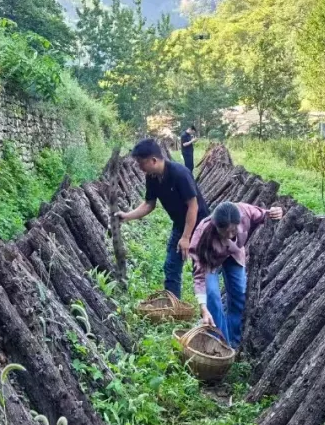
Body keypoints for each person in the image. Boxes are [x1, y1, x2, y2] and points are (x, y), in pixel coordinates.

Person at [116, 138, 209, 299]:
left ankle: (207, 310)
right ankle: (173, 306)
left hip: (200, 226)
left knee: (200, 268)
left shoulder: (180, 174)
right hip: (180, 225)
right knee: (171, 266)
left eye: (140, 163)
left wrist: (186, 237)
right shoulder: (152, 177)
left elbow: (193, 207)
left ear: (153, 160)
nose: (139, 167)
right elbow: (149, 204)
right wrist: (126, 216)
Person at [190, 201, 283, 349]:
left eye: (233, 231)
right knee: (212, 296)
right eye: (225, 233)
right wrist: (203, 307)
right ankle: (221, 343)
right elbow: (199, 276)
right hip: (210, 261)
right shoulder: (202, 237)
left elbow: (264, 214)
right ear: (216, 226)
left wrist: (274, 212)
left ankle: (234, 340)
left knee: (240, 293)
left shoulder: (245, 212)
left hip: (234, 254)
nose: (230, 235)